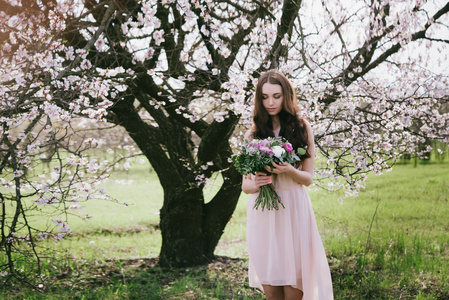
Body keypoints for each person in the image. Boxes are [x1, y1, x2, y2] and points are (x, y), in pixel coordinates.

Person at [242, 70, 334, 300]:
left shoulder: (302, 127)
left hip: (293, 208)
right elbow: (245, 185)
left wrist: (290, 171)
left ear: (286, 96)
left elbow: (308, 179)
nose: (270, 102)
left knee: (295, 292)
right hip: (263, 212)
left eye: (276, 96)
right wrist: (257, 183)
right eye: (264, 97)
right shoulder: (253, 133)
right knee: (272, 294)